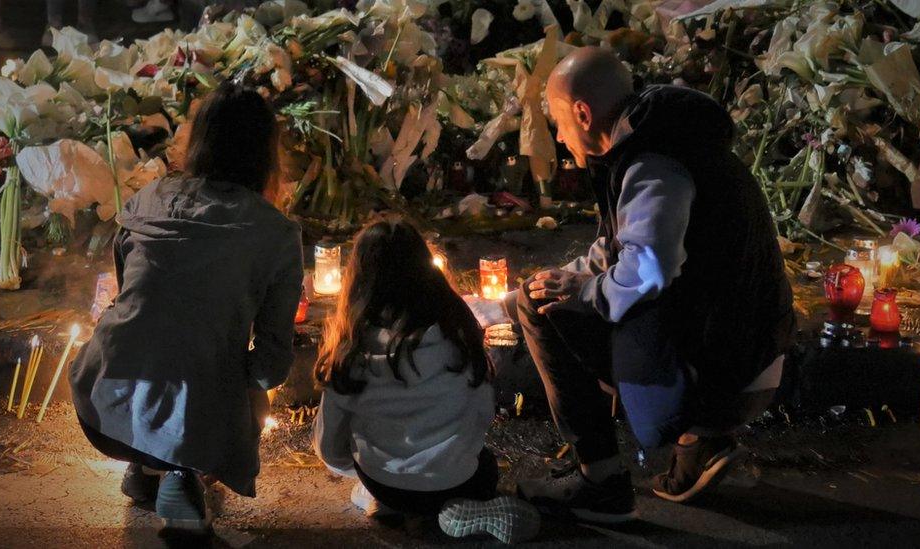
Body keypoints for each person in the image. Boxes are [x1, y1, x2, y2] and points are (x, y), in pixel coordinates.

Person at [508, 47, 795, 522]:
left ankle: (601, 482)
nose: (559, 137)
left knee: (539, 309)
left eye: (558, 122)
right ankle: (698, 442)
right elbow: (616, 251)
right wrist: (555, 283)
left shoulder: (653, 163)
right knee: (550, 292)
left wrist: (575, 292)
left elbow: (649, 270)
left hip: (728, 365)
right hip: (752, 351)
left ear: (582, 113)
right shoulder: (665, 143)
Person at [69, 81, 303, 532]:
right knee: (230, 383)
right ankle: (184, 472)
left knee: (165, 353)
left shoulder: (148, 198)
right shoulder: (275, 233)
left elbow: (130, 298)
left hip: (101, 396)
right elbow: (272, 364)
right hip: (189, 415)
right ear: (265, 153)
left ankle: (148, 464)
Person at [312, 216, 540, 545]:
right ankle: (450, 510)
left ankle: (393, 506)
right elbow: (481, 414)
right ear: (426, 271)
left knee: (372, 484)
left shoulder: (352, 350)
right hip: (458, 479)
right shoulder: (457, 334)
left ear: (359, 280)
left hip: (384, 481)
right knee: (485, 466)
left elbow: (328, 445)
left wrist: (358, 468)